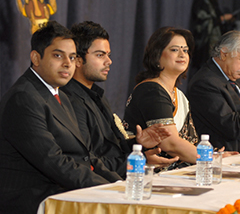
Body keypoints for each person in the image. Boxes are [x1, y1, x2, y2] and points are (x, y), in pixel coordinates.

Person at [0, 21, 122, 214]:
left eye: (72, 57)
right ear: (36, 58)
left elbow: (85, 156)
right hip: (31, 198)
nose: (68, 64)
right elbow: (54, 161)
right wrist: (107, 189)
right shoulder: (23, 98)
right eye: (58, 55)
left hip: (61, 189)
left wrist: (119, 183)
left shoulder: (61, 96)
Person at [61, 21, 177, 179]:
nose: (109, 61)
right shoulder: (69, 100)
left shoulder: (97, 95)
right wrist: (137, 163)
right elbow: (88, 162)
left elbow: (111, 149)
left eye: (108, 55)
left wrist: (139, 144)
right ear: (79, 60)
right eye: (100, 55)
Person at [123, 26, 199, 171]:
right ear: (157, 56)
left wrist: (213, 154)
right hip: (152, 174)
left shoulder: (178, 94)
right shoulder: (152, 91)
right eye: (175, 50)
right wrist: (210, 159)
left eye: (185, 50)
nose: (182, 54)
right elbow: (171, 144)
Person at [189, 0, 234, 79]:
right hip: (205, 45)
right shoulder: (204, 3)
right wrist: (221, 19)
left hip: (214, 43)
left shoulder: (213, 3)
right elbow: (202, 22)